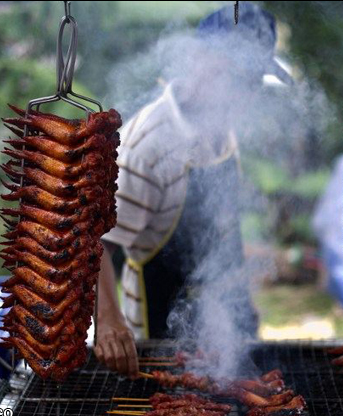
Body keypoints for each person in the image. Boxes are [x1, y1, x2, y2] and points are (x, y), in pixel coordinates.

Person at [94, 2, 290, 378]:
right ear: (203, 63)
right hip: (157, 336)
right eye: (241, 78)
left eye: (254, 81)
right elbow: (97, 241)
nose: (249, 94)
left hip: (224, 326)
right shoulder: (147, 144)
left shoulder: (223, 127)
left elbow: (216, 225)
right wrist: (107, 318)